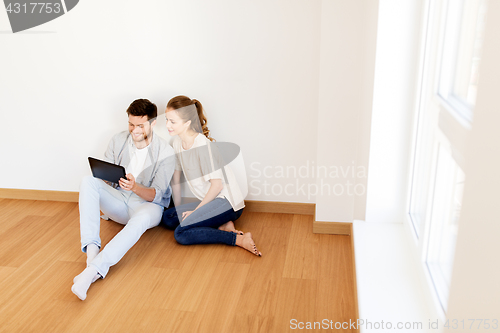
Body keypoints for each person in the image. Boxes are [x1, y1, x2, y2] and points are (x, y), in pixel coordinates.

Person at [72, 99, 175, 300]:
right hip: (119, 200)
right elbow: (105, 178)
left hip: (147, 205)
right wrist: (105, 176)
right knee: (87, 181)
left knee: (144, 217)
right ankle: (92, 255)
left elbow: (157, 195)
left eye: (140, 125)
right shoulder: (118, 140)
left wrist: (135, 187)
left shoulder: (166, 152)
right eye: (131, 124)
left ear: (153, 123)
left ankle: (92, 272)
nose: (134, 130)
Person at [160, 95, 261, 256]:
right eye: (166, 119)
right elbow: (176, 178)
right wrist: (179, 208)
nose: (167, 125)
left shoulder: (202, 146)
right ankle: (222, 223)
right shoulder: (177, 143)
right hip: (208, 201)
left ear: (187, 123)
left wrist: (194, 213)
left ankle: (237, 239)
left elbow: (217, 186)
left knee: (181, 233)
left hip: (226, 201)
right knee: (168, 218)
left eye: (172, 121)